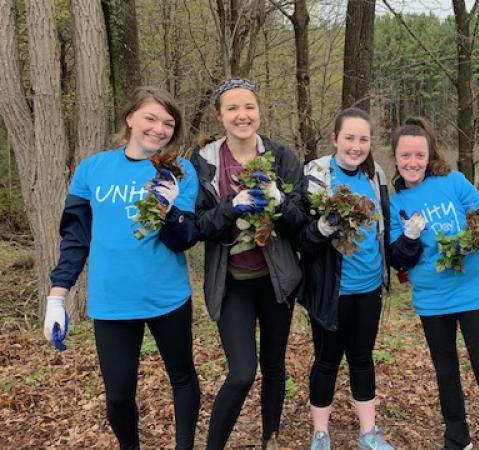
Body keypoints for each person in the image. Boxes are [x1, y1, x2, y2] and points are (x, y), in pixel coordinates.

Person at [44, 86, 200, 450]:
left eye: (168, 123)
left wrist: (170, 210)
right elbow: (75, 238)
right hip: (112, 301)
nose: (159, 129)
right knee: (117, 395)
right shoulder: (93, 168)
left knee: (182, 376)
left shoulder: (179, 169)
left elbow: (186, 238)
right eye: (151, 118)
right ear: (130, 118)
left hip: (168, 297)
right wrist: (57, 296)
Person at [388, 117, 479, 450]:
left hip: (475, 292)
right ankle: (457, 438)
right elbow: (398, 259)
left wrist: (471, 237)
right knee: (445, 371)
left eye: (419, 155)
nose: (412, 162)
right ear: (396, 158)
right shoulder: (396, 203)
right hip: (433, 299)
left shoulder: (454, 182)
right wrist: (410, 237)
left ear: (430, 154)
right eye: (405, 156)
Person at [189, 78, 304, 450]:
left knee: (274, 366)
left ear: (259, 111)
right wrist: (230, 207)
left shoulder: (282, 157)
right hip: (232, 282)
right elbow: (198, 226)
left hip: (276, 281)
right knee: (241, 373)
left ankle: (269, 437)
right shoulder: (204, 163)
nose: (243, 115)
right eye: (233, 108)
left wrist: (278, 203)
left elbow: (300, 219)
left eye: (249, 107)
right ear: (220, 116)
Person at [297, 107, 393, 450]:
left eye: (363, 139)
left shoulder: (375, 174)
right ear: (335, 138)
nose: (356, 145)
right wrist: (323, 228)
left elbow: (386, 226)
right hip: (331, 288)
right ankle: (320, 434)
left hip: (369, 288)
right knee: (326, 360)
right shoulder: (317, 173)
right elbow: (301, 238)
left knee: (363, 357)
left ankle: (368, 433)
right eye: (349, 138)